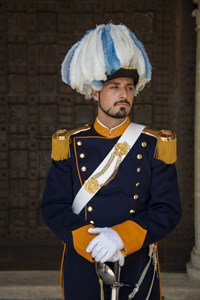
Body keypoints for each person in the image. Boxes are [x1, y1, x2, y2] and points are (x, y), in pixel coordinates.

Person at [41, 23, 182, 300]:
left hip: (137, 262)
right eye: (114, 87)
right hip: (83, 263)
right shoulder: (69, 144)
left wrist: (121, 238)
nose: (124, 95)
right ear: (95, 93)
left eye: (129, 88)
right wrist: (88, 241)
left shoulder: (154, 144)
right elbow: (53, 207)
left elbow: (168, 209)